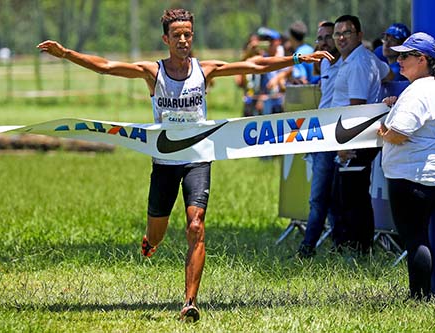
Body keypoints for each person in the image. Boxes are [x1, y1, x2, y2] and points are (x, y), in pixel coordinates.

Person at [37, 8, 332, 322]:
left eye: (187, 34)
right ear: (166, 39)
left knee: (196, 225)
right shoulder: (154, 72)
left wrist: (297, 60)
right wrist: (66, 53)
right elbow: (107, 67)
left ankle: (190, 302)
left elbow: (255, 64)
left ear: (192, 37)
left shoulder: (205, 70)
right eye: (176, 35)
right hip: (165, 161)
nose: (182, 40)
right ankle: (150, 241)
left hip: (197, 159)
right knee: (157, 234)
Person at [378, 32, 435, 300]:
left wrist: (383, 132)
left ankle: (419, 298)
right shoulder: (429, 88)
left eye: (405, 56)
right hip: (426, 176)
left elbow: (400, 132)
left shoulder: (417, 91)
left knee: (415, 239)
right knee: (420, 237)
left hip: (410, 178)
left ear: (422, 59)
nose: (398, 60)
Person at [330, 15, 391, 254]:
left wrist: (346, 145)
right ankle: (353, 247)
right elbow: (388, 76)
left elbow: (357, 106)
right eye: (338, 33)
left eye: (347, 32)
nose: (341, 38)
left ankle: (358, 250)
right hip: (352, 137)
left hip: (353, 139)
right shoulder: (364, 58)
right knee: (349, 195)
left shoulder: (358, 63)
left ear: (359, 35)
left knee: (352, 199)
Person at [297, 21, 342, 258]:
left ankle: (310, 247)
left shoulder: (349, 63)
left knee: (326, 197)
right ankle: (320, 245)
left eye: (328, 37)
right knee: (321, 196)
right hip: (322, 135)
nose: (323, 42)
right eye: (319, 38)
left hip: (341, 136)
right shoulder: (324, 62)